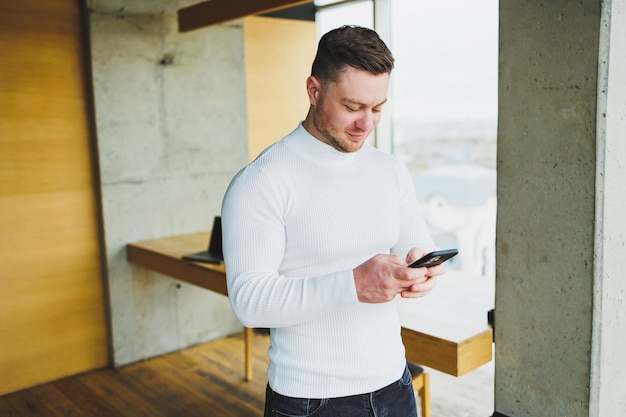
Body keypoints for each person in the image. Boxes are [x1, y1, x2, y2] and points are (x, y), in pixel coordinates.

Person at [221, 25, 444, 417]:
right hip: (311, 400)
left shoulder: (389, 169)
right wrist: (353, 284)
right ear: (313, 90)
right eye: (353, 107)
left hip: (395, 385)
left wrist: (421, 268)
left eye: (378, 108)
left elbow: (414, 247)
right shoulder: (261, 181)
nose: (367, 124)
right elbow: (249, 303)